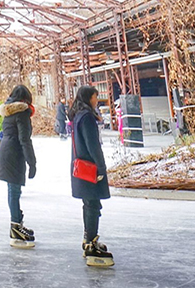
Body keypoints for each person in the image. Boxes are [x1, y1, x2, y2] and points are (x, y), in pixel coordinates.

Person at [70, 85, 114, 267]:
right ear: (88, 98)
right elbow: (92, 145)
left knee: (90, 203)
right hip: (90, 167)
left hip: (82, 165)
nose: (97, 100)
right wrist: (101, 167)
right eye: (95, 97)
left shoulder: (78, 115)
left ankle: (89, 239)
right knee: (92, 204)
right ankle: (90, 245)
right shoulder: (86, 117)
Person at [0, 85, 37, 249]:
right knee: (14, 191)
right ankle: (15, 228)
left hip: (5, 150)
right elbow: (25, 139)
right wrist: (32, 162)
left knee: (13, 190)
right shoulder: (22, 112)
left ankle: (17, 223)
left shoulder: (8, 111)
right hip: (15, 153)